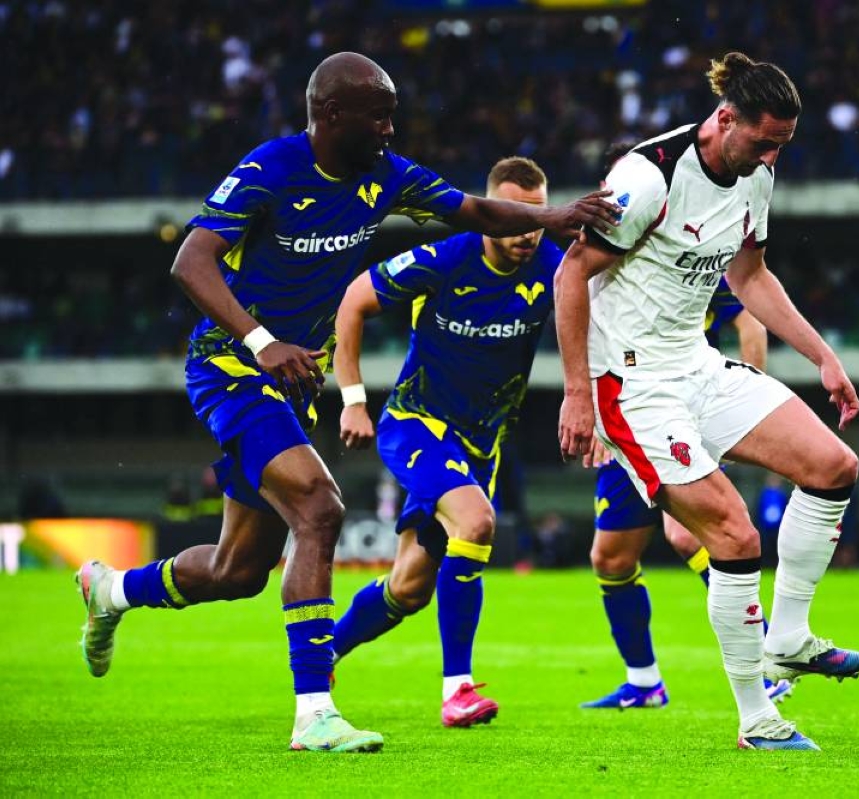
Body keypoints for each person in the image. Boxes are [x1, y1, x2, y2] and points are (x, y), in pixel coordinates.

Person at [73, 53, 619, 754]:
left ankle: (113, 590)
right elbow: (191, 261)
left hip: (293, 383)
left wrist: (556, 214)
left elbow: (474, 209)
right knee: (320, 507)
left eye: (393, 115)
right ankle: (315, 713)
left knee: (239, 571)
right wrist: (263, 341)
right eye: (379, 115)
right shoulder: (271, 168)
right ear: (331, 115)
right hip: (233, 367)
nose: (390, 128)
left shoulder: (387, 174)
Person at [556, 52, 859, 751]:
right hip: (631, 386)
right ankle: (758, 718)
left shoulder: (757, 172)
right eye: (765, 141)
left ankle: (789, 637)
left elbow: (749, 275)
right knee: (735, 535)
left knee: (834, 465)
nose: (772, 157)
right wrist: (577, 392)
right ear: (725, 118)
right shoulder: (649, 176)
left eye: (782, 145)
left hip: (697, 364)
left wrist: (822, 356)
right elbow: (572, 273)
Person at [330, 156, 570, 728]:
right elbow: (354, 301)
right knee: (478, 522)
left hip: (482, 444)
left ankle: (324, 652)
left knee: (409, 588)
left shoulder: (556, 268)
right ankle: (457, 690)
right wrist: (353, 399)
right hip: (417, 424)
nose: (527, 231)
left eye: (537, 217)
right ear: (488, 214)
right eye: (513, 217)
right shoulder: (445, 258)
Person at [582, 275, 795, 709]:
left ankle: (767, 661)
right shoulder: (605, 273)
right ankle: (644, 683)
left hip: (681, 414)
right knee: (611, 558)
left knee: (687, 534)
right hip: (623, 420)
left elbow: (751, 324)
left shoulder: (690, 263)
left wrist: (744, 412)